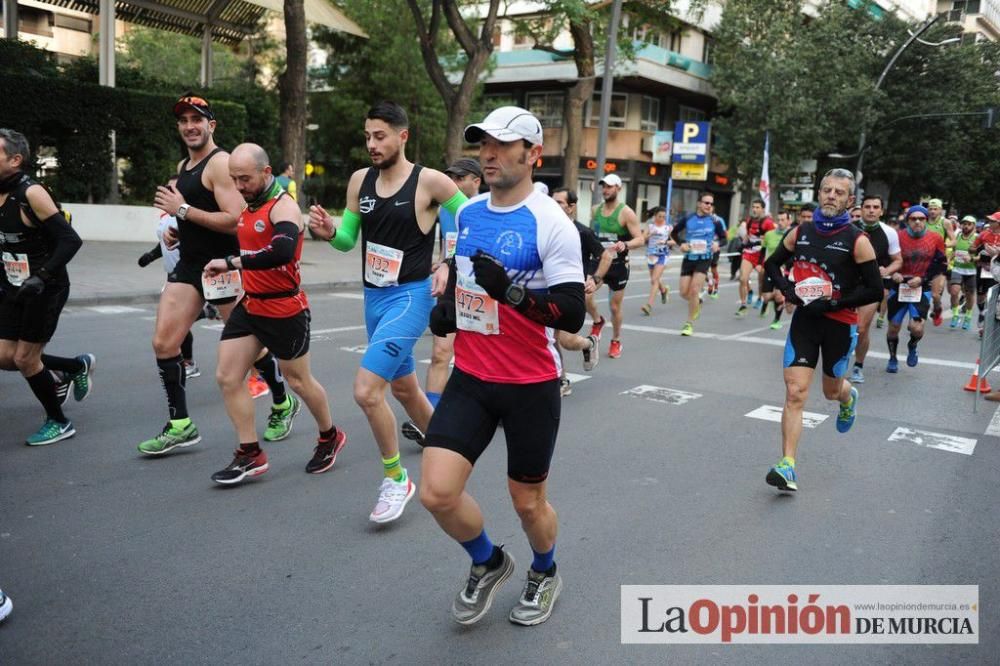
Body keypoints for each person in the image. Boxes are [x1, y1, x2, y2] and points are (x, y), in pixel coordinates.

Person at [419, 105, 584, 627]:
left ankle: (545, 570)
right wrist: (449, 308)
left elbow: (570, 310)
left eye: (502, 144)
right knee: (437, 493)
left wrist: (510, 293)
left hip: (530, 383)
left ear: (532, 154)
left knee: (528, 503)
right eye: (483, 143)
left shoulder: (550, 223)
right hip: (471, 376)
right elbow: (461, 274)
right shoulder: (467, 213)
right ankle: (488, 562)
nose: (488, 153)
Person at [308, 101, 465, 523]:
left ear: (402, 136)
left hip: (411, 298)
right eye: (367, 136)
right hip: (373, 299)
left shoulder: (430, 181)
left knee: (366, 391)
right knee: (405, 390)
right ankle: (448, 449)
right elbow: (346, 239)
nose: (371, 145)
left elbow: (468, 220)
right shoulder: (360, 181)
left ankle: (396, 479)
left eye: (380, 136)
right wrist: (328, 233)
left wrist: (449, 263)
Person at [139, 93, 293, 456]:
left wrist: (184, 210)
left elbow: (238, 221)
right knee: (164, 343)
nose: (190, 127)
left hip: (224, 266)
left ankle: (283, 401)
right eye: (183, 121)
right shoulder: (185, 165)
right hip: (191, 266)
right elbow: (194, 214)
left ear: (212, 125)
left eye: (197, 120)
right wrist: (179, 226)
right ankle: (180, 423)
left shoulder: (220, 163)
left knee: (249, 346)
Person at [203, 144, 346, 484]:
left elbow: (281, 251)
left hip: (284, 308)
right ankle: (250, 453)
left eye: (245, 178)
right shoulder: (248, 206)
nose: (239, 185)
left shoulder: (283, 207)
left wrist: (232, 263)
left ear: (266, 173)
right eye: (234, 179)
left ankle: (330, 436)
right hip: (251, 305)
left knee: (298, 381)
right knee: (227, 376)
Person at [763, 169, 882, 492]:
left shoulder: (857, 240)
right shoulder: (801, 231)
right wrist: (789, 291)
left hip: (839, 324)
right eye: (826, 190)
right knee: (795, 392)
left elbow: (874, 290)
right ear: (819, 194)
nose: (831, 195)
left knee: (831, 391)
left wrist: (832, 303)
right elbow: (772, 264)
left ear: (849, 200)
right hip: (805, 321)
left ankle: (848, 396)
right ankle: (787, 464)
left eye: (838, 192)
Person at [0, 128, 95, 446]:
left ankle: (59, 421)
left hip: (46, 287)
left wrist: (40, 277)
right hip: (14, 286)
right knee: (5, 357)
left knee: (26, 359)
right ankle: (74, 366)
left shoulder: (31, 193)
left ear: (15, 160)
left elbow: (70, 240)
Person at [404, 157, 482, 442]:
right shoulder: (444, 205)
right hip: (450, 285)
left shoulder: (486, 207)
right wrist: (441, 262)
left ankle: (490, 408)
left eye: (460, 178)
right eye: (450, 177)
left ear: (476, 180)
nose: (453, 182)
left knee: (477, 356)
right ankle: (431, 420)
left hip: (482, 289)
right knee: (440, 353)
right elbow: (440, 239)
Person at [552, 186, 610, 386]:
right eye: (552, 201)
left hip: (571, 292)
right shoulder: (544, 227)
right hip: (548, 290)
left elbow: (606, 255)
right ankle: (562, 380)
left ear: (571, 207)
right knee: (549, 338)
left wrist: (595, 279)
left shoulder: (582, 232)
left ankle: (589, 343)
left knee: (566, 341)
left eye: (559, 202)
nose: (554, 205)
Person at [884, 205, 947, 373]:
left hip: (921, 287)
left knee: (917, 328)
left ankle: (912, 345)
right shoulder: (897, 237)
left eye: (921, 218)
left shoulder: (936, 238)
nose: (917, 222)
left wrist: (923, 279)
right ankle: (892, 357)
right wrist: (894, 273)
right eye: (913, 218)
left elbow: (942, 264)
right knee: (893, 328)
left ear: (926, 220)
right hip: (898, 287)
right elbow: (885, 258)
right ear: (908, 220)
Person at [848, 195, 901, 383]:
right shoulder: (849, 228)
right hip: (847, 285)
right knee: (841, 326)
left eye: (875, 207)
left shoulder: (889, 233)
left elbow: (898, 260)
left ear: (881, 211)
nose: (871, 210)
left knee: (862, 328)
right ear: (861, 209)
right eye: (867, 206)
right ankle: (840, 359)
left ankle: (858, 366)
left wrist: (886, 270)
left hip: (870, 287)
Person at [590, 173, 642, 358]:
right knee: (585, 294)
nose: (606, 190)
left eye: (610, 186)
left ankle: (616, 340)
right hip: (598, 262)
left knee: (614, 307)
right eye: (604, 186)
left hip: (618, 265)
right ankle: (597, 321)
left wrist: (625, 244)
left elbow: (640, 238)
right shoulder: (595, 210)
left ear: (618, 188)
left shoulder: (626, 212)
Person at [670, 192, 726, 336]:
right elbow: (674, 233)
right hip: (689, 258)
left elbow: (724, 239)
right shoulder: (688, 218)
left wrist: (717, 244)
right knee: (683, 292)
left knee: (695, 290)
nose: (709, 206)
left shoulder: (715, 221)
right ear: (699, 204)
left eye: (711, 204)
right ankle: (696, 303)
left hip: (704, 258)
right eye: (706, 203)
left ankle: (689, 324)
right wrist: (681, 244)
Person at [736, 199, 775, 316]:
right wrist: (743, 244)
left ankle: (759, 299)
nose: (754, 209)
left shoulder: (768, 223)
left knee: (761, 281)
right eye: (753, 207)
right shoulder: (749, 221)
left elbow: (771, 240)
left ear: (762, 209)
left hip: (761, 255)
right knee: (743, 278)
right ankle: (743, 305)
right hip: (749, 253)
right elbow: (748, 236)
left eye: (757, 207)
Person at [759, 210, 792, 329]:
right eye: (778, 220)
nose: (780, 222)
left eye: (783, 220)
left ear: (789, 221)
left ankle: (776, 320)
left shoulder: (792, 235)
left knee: (779, 296)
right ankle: (766, 303)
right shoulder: (769, 234)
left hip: (784, 269)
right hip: (771, 268)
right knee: (767, 296)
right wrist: (759, 263)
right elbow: (763, 250)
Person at [925, 198, 954, 326]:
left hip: (939, 260)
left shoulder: (945, 222)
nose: (932, 211)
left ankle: (937, 309)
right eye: (930, 209)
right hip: (923, 259)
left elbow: (954, 241)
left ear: (941, 210)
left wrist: (942, 245)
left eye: (935, 209)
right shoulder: (922, 220)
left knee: (936, 295)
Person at [640, 207, 673, 316]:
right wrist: (651, 234)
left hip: (663, 255)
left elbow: (674, 241)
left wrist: (666, 242)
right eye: (660, 216)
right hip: (651, 255)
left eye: (664, 217)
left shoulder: (668, 227)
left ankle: (648, 305)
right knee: (654, 280)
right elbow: (642, 239)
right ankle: (663, 291)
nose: (662, 218)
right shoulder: (650, 226)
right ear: (655, 216)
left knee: (654, 280)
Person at [972, 212, 1000, 337]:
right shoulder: (983, 234)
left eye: (992, 220)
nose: (990, 222)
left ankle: (986, 326)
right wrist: (980, 251)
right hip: (982, 269)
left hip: (996, 272)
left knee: (992, 298)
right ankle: (982, 313)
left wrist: (996, 253)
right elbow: (972, 248)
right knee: (980, 297)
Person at [948, 215, 978, 331]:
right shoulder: (958, 235)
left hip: (971, 270)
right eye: (964, 224)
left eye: (969, 224)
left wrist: (972, 258)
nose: (966, 226)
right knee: (954, 292)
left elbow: (981, 255)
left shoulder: (977, 238)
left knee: (970, 295)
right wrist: (949, 258)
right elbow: (955, 250)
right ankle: (955, 315)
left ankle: (968, 316)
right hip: (957, 268)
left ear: (973, 226)